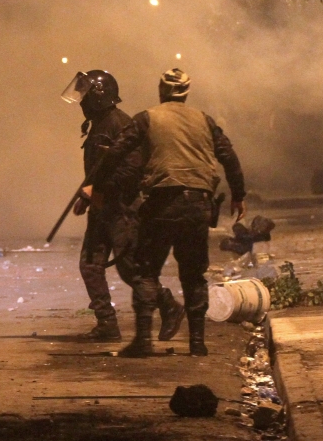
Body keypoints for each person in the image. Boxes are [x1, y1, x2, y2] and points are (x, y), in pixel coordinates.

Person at [103, 68, 246, 357]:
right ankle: (197, 343)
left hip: (161, 204)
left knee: (146, 271)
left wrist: (98, 185)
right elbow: (229, 157)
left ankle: (143, 341)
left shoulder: (147, 118)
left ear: (161, 90)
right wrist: (238, 196)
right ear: (187, 92)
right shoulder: (204, 120)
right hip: (198, 207)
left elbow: (116, 151)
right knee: (193, 274)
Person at [61, 70, 185, 342]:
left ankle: (168, 305)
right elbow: (100, 169)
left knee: (131, 269)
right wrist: (87, 195)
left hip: (123, 210)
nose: (81, 101)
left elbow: (132, 170)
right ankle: (107, 324)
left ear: (98, 95)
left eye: (85, 95)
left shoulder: (119, 123)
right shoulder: (100, 123)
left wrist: (99, 190)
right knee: (90, 265)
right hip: (102, 209)